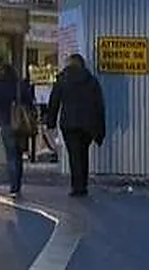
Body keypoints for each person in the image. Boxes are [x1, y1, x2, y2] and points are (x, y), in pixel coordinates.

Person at [45, 53, 107, 197]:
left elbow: (54, 102)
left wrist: (50, 123)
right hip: (87, 124)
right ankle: (83, 184)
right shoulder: (91, 80)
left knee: (74, 154)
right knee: (83, 152)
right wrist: (100, 127)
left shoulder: (63, 79)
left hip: (69, 123)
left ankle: (77, 186)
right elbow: (99, 104)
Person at [0, 62, 27, 196]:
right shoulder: (20, 85)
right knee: (19, 155)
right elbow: (30, 102)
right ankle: (18, 184)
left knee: (11, 156)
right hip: (21, 123)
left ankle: (14, 187)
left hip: (6, 123)